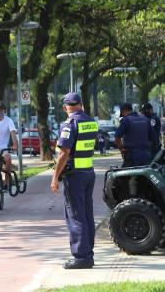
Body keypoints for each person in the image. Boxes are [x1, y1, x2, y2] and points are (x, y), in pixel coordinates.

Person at [50, 92, 98, 269]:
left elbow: (64, 152)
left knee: (76, 215)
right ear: (81, 104)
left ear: (65, 107)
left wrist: (55, 177)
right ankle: (88, 254)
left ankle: (81, 256)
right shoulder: (91, 122)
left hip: (75, 175)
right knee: (86, 214)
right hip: (88, 172)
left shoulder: (70, 124)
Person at [115, 103, 154, 167]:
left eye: (123, 114)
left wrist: (122, 149)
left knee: (122, 175)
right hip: (146, 155)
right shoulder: (146, 119)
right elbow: (152, 138)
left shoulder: (126, 120)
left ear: (123, 111)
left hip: (132, 156)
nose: (123, 116)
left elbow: (117, 137)